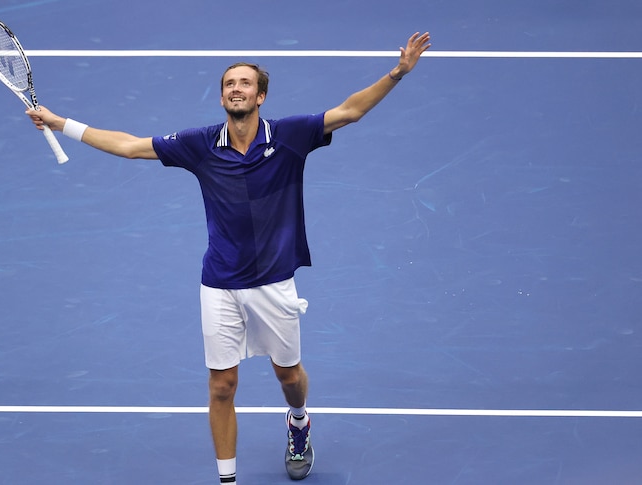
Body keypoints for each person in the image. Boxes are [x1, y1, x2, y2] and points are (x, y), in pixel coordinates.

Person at [27, 32, 431, 484]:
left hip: (274, 283)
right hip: (219, 283)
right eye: (228, 84)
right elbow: (129, 145)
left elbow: (350, 110)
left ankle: (298, 421)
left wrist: (397, 73)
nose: (235, 88)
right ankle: (227, 481)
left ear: (260, 95)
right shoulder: (200, 144)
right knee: (222, 386)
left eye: (244, 83)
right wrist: (60, 122)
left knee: (289, 376)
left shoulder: (292, 136)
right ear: (222, 96)